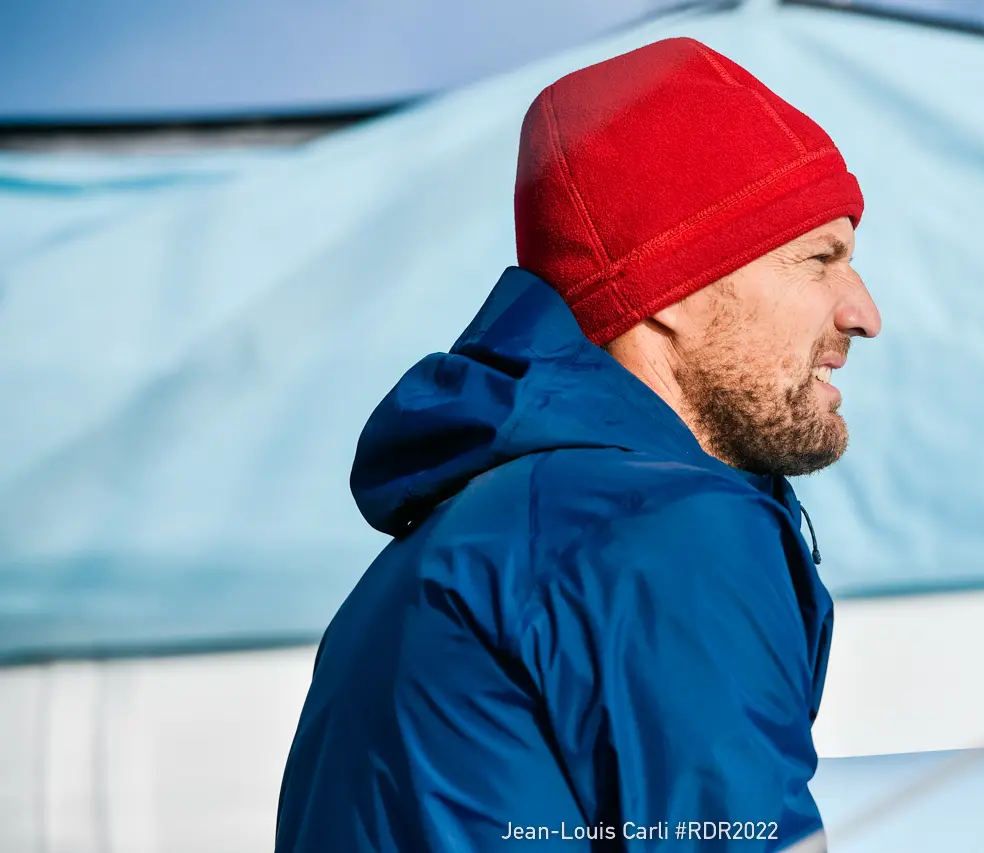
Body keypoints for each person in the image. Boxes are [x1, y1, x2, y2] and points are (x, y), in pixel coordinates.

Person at [275, 36, 880, 852]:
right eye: (818, 259)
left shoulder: (470, 541)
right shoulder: (657, 528)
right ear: (674, 289)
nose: (863, 312)